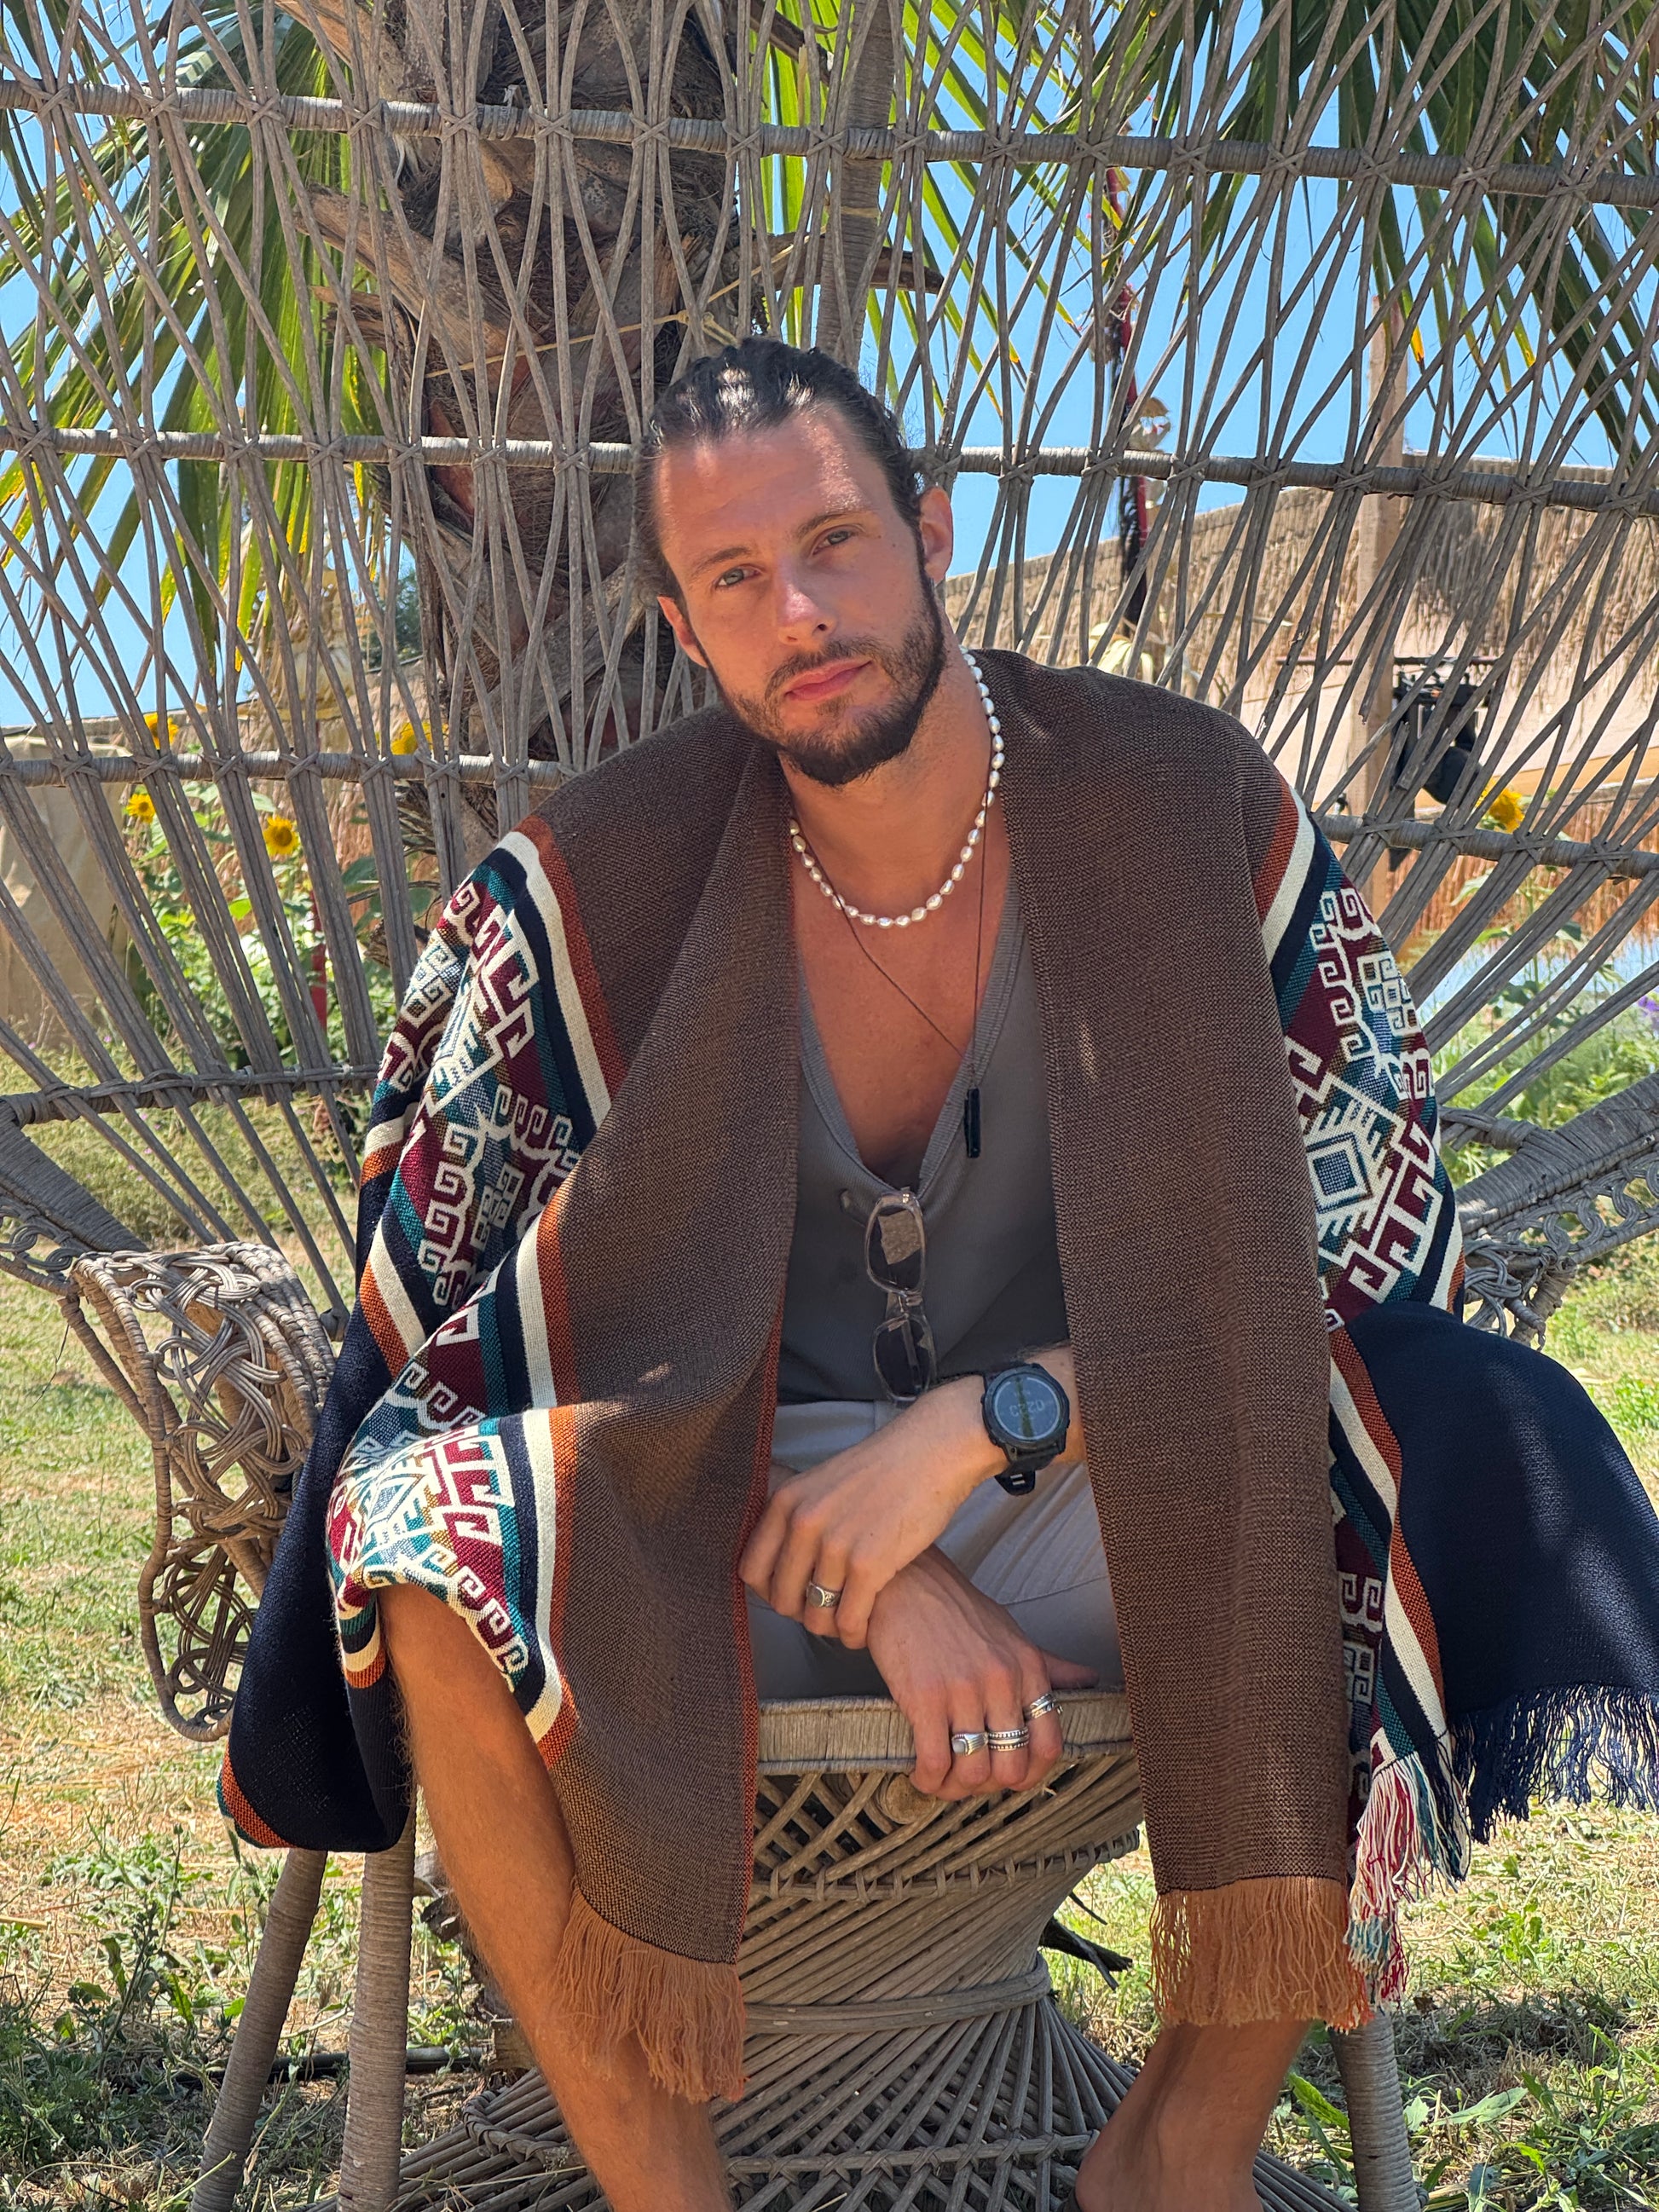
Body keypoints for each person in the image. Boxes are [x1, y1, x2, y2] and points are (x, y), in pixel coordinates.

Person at [223, 337, 1659, 2211]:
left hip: (1114, 1494)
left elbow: (1362, 1255)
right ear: (681, 628)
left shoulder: (1184, 809)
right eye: (736, 577)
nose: (801, 613)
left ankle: (1177, 2150)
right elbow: (464, 1357)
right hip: (717, 1517)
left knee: (1463, 1423)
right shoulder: (581, 896)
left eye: (834, 541)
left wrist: (997, 1422)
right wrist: (872, 1561)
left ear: (931, 529)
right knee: (424, 1539)